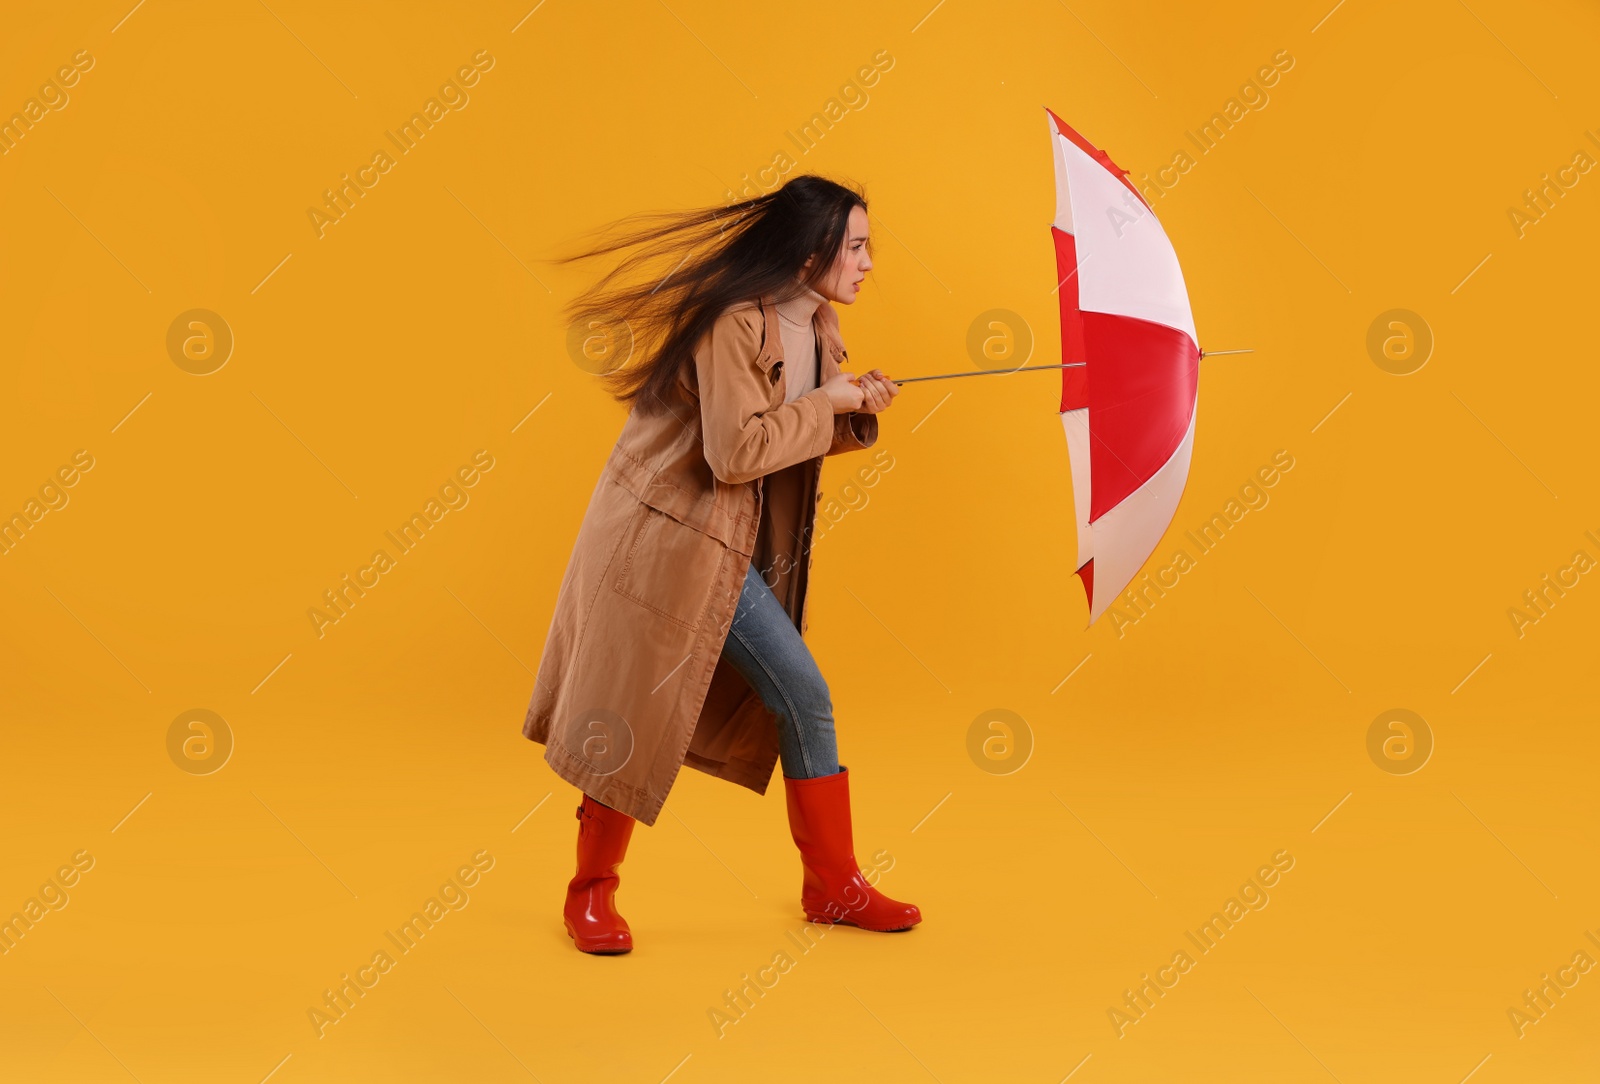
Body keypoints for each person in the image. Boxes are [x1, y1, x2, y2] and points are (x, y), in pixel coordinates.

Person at [523, 174, 922, 954]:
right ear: (811, 252)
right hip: (669, 542)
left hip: (729, 542)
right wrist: (830, 404)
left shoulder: (819, 324)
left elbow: (783, 436)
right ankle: (589, 895)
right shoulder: (735, 323)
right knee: (633, 709)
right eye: (858, 246)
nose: (871, 262)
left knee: (798, 696)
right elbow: (736, 452)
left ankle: (832, 887)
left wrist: (853, 411)